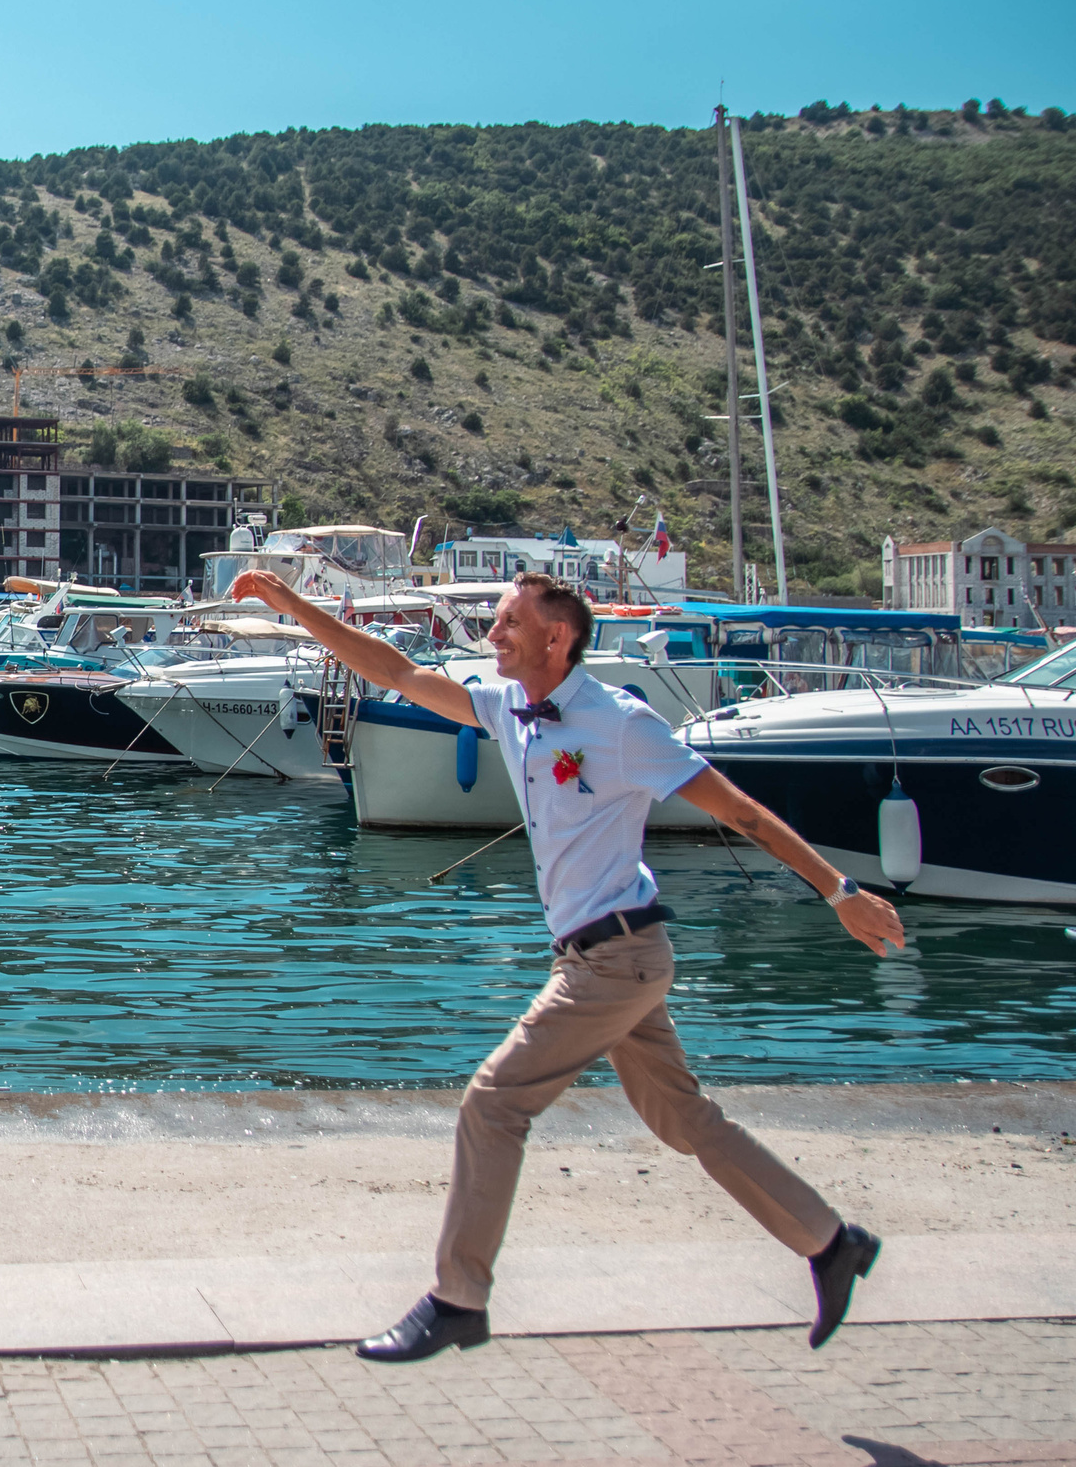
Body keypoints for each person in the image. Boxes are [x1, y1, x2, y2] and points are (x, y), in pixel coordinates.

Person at [232, 568, 904, 1363]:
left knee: (493, 1103)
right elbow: (396, 671)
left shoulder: (621, 724)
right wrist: (292, 605)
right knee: (684, 1119)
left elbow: (741, 811)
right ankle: (831, 1242)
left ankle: (458, 1298)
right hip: (606, 955)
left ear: (558, 638)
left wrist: (840, 890)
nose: (493, 634)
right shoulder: (506, 707)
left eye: (509, 622)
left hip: (614, 959)